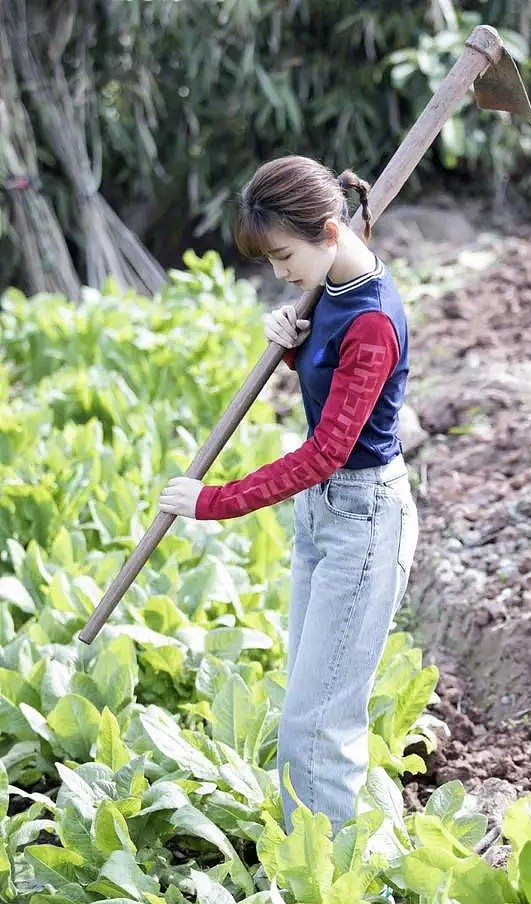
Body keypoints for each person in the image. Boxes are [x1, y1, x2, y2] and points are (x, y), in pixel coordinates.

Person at [158, 155, 419, 836]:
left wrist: (213, 501)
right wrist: (296, 348)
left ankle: (335, 887)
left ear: (329, 230)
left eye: (283, 256)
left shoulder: (373, 320)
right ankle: (316, 860)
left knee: (318, 722)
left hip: (362, 520)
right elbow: (333, 378)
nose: (278, 274)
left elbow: (328, 450)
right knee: (307, 708)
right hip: (325, 516)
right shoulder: (331, 288)